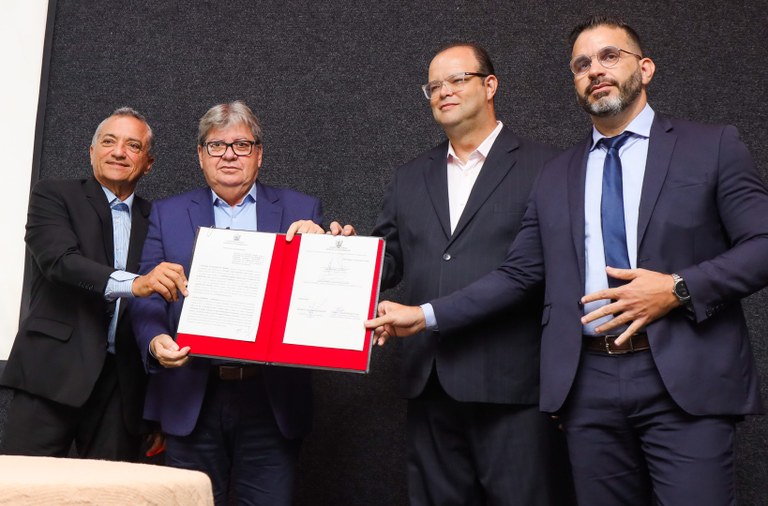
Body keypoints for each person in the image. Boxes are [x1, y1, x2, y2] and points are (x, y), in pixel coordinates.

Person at [366, 16, 768, 506]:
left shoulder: (711, 146)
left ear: (645, 67)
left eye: (609, 56)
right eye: (581, 64)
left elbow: (762, 244)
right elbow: (519, 274)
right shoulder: (558, 172)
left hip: (686, 374)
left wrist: (677, 288)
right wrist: (425, 315)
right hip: (588, 385)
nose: (594, 70)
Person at [292, 43, 572, 505]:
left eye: (457, 79)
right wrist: (334, 251)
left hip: (512, 387)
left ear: (490, 85)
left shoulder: (547, 167)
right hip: (430, 384)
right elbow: (390, 260)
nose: (444, 92)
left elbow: (529, 273)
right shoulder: (410, 176)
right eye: (434, 86)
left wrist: (424, 314)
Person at [130, 101, 322, 506]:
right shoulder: (167, 213)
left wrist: (324, 250)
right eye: (216, 146)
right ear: (200, 156)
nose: (229, 155)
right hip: (190, 393)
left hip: (271, 398)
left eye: (241, 145)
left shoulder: (301, 210)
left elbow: (318, 296)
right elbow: (148, 297)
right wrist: (155, 341)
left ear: (259, 154)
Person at [1, 108, 188, 461]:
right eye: (108, 141)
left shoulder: (158, 219)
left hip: (123, 388)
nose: (119, 152)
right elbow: (60, 262)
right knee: (23, 484)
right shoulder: (54, 195)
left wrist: (156, 408)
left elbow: (168, 302)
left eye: (133, 145)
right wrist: (136, 284)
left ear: (148, 163)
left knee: (111, 488)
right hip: (52, 373)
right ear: (91, 152)